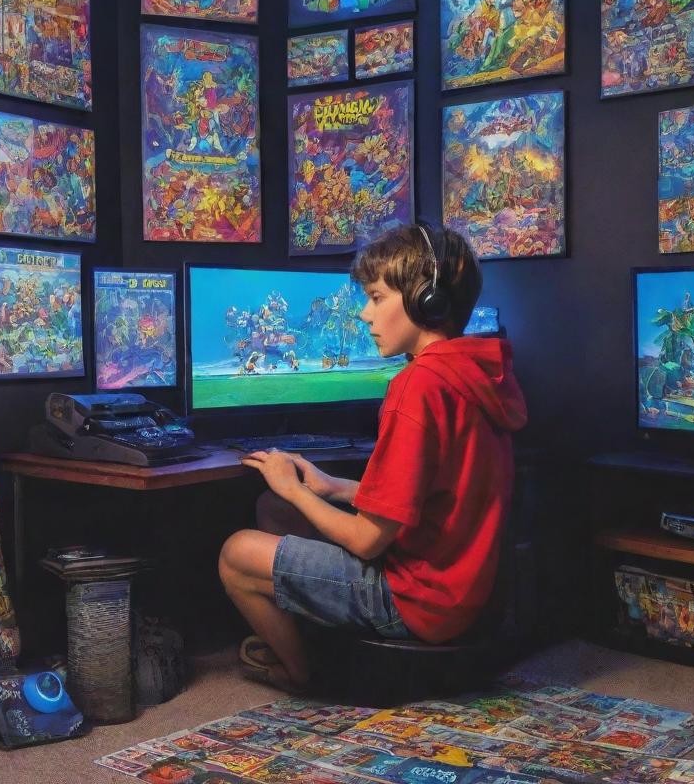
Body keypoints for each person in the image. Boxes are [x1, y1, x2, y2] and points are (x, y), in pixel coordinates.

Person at [218, 223, 527, 691]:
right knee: (273, 511)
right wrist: (334, 487)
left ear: (426, 300)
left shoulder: (418, 386)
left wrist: (292, 488)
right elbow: (440, 497)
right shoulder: (473, 373)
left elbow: (366, 541)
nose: (365, 314)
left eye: (377, 298)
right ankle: (315, 639)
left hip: (418, 602)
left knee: (236, 553)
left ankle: (300, 671)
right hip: (466, 593)